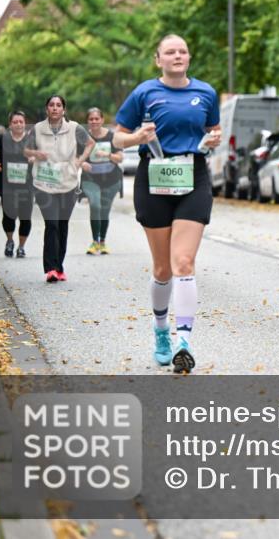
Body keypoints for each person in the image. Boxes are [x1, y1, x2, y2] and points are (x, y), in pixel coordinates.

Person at [114, 35, 221, 373]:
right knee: (163, 269)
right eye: (170, 52)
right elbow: (118, 136)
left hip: (193, 176)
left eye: (183, 51)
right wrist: (137, 138)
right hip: (155, 177)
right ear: (157, 58)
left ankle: (183, 341)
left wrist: (214, 139)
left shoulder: (205, 92)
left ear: (189, 57)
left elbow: (214, 130)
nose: (178, 55)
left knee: (184, 262)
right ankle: (161, 331)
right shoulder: (144, 93)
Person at [23, 96, 96, 282]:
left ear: (64, 109)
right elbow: (26, 150)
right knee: (52, 224)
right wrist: (35, 153)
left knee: (62, 225)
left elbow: (90, 143)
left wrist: (80, 160)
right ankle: (50, 269)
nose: (55, 108)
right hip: (44, 183)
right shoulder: (38, 129)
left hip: (68, 183)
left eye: (58, 105)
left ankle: (59, 266)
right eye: (51, 105)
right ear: (46, 109)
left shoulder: (74, 128)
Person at [0, 113, 34, 258]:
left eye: (21, 121)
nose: (18, 124)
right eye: (15, 122)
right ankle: (9, 241)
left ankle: (21, 247)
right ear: (10, 124)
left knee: (25, 217)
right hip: (7, 184)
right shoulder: (2, 139)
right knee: (8, 216)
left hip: (26, 185)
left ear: (24, 123)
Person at [80, 107, 124, 255]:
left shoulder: (112, 136)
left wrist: (107, 154)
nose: (94, 121)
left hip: (111, 179)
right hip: (90, 179)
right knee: (95, 204)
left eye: (96, 119)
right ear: (88, 121)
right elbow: (73, 156)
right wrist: (82, 163)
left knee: (104, 211)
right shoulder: (84, 138)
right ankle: (95, 242)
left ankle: (103, 242)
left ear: (102, 120)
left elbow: (120, 158)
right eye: (91, 119)